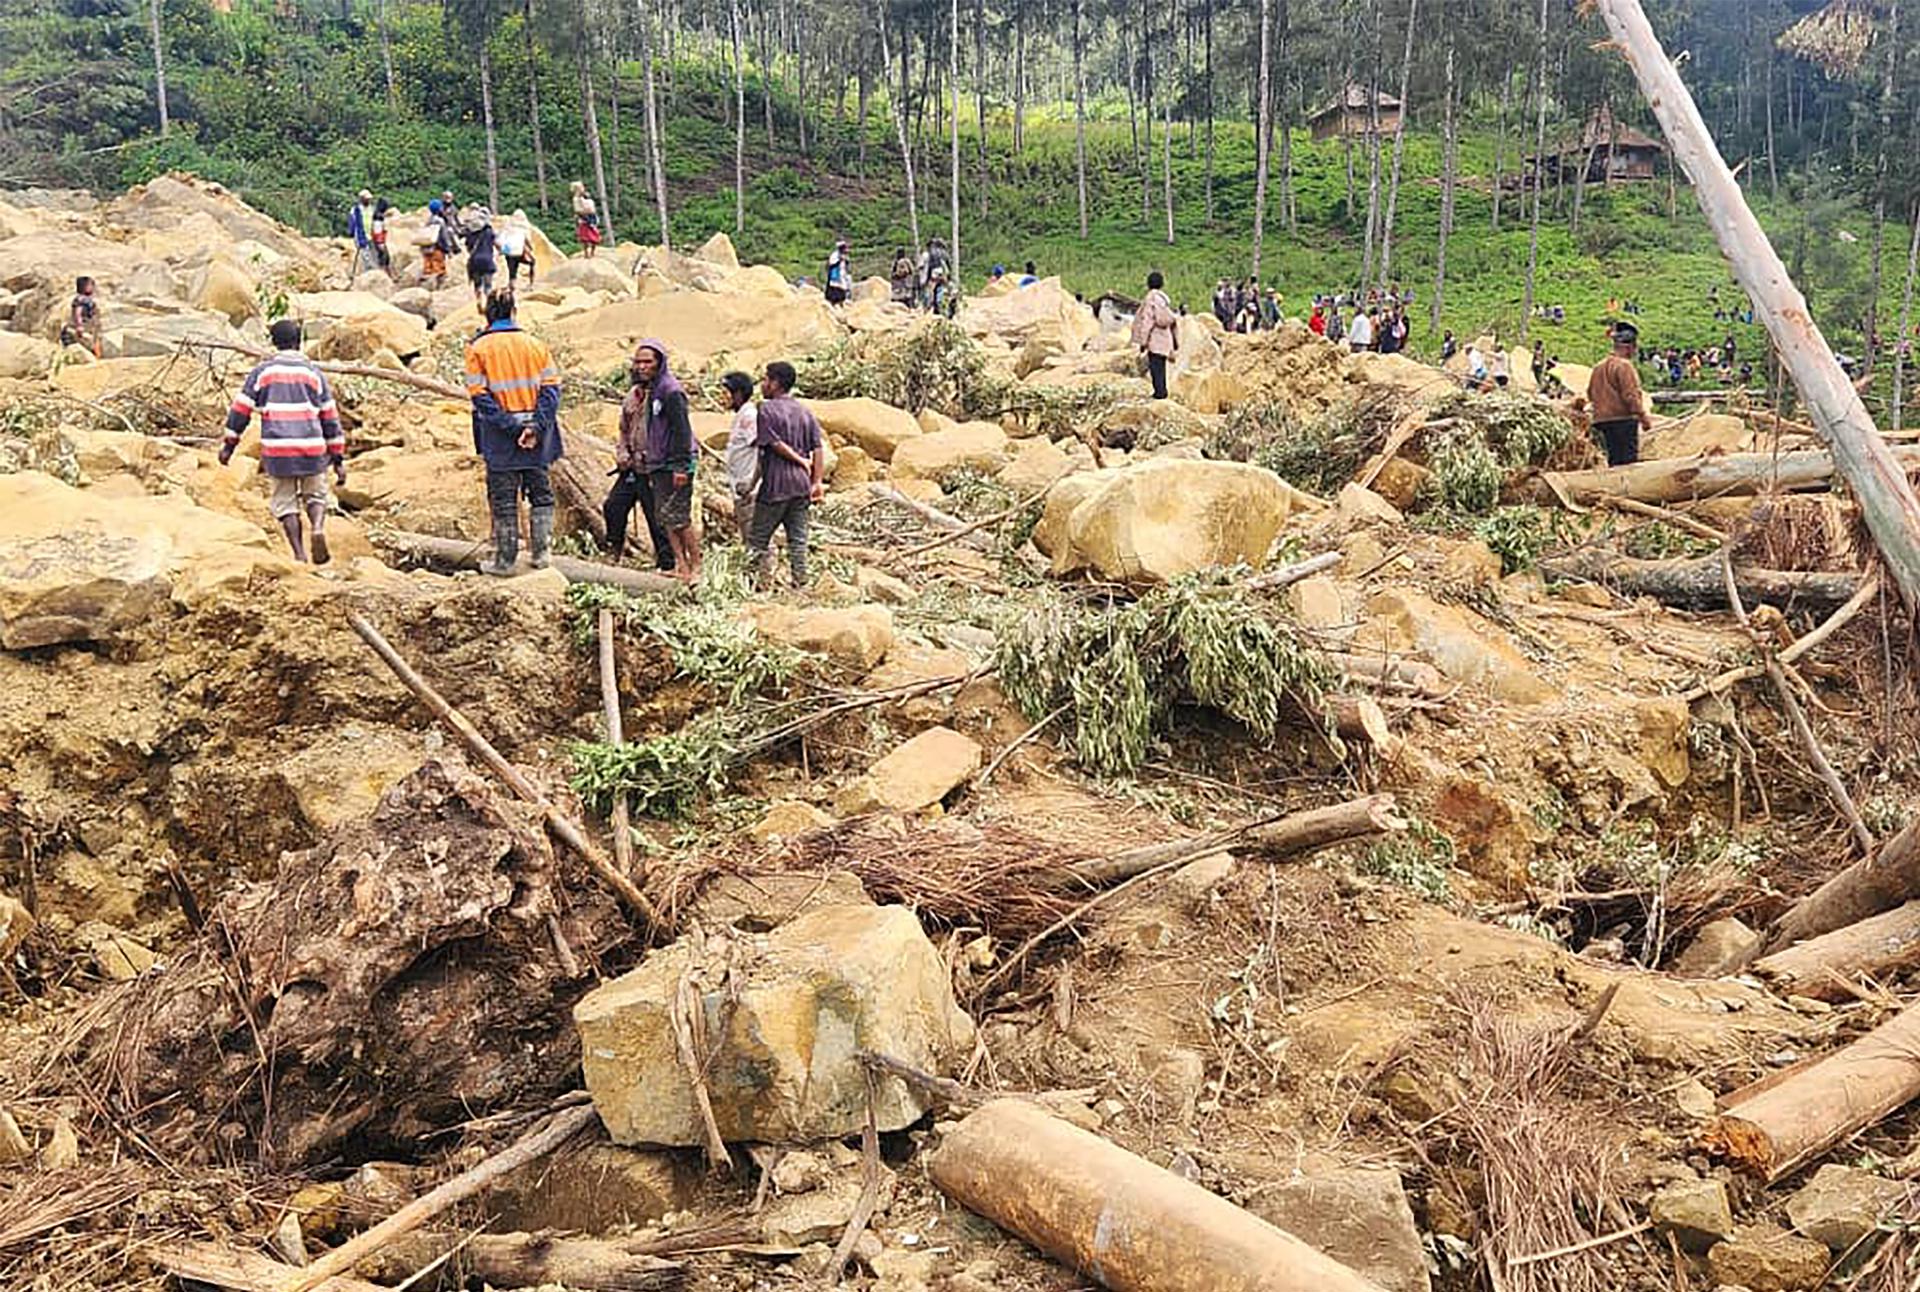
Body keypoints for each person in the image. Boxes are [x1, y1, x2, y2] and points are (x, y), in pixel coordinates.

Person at [220, 319, 345, 565]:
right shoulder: (313, 374)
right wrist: (338, 458)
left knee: (285, 501)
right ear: (298, 343)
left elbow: (240, 411)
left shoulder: (262, 372)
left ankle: (299, 554)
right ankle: (318, 527)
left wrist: (229, 445)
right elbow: (330, 417)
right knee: (316, 494)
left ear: (274, 343)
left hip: (278, 449)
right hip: (311, 447)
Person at [465, 289, 563, 575]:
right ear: (513, 311)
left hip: (500, 436)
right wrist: (534, 426)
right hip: (538, 436)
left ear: (487, 314)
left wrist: (512, 426)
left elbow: (480, 396)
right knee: (541, 494)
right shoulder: (535, 345)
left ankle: (505, 560)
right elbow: (551, 390)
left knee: (504, 497)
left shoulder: (478, 349)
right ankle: (542, 555)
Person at [606, 340, 700, 581]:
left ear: (659, 363)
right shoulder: (641, 394)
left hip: (670, 464)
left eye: (647, 361)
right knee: (659, 516)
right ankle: (679, 565)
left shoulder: (670, 392)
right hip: (644, 465)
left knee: (677, 517)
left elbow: (681, 431)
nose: (641, 367)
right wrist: (624, 453)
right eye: (638, 362)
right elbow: (625, 429)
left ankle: (692, 565)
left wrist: (680, 466)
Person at [747, 360, 826, 588]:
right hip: (801, 485)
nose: (762, 384)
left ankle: (747, 583)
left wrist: (799, 459)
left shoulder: (766, 409)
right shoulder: (805, 412)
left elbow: (772, 443)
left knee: (757, 540)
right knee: (798, 540)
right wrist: (817, 481)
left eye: (765, 379)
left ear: (775, 383)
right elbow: (818, 448)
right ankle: (801, 583)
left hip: (776, 484)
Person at [1588, 321, 1652, 467]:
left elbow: (1591, 394)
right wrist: (1644, 419)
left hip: (1601, 423)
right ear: (1629, 347)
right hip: (1622, 422)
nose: (1635, 352)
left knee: (1612, 462)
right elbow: (1631, 396)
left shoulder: (1598, 367)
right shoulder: (1624, 366)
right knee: (1627, 464)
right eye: (1634, 348)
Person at [721, 370, 759, 543]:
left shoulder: (749, 417)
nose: (723, 398)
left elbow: (762, 446)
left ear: (738, 394)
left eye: (726, 393)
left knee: (755, 538)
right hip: (741, 487)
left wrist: (752, 483)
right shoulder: (741, 416)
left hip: (749, 488)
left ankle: (763, 570)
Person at [1130, 271, 1178, 399]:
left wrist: (1143, 341)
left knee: (1155, 367)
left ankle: (1159, 393)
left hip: (1154, 338)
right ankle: (1162, 391)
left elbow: (1148, 321)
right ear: (1162, 284)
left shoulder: (1150, 299)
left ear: (1148, 284)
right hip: (1164, 337)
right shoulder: (1163, 299)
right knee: (1161, 366)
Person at [462, 206, 499, 309]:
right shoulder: (489, 232)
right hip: (487, 260)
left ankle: (478, 300)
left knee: (477, 284)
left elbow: (468, 247)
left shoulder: (470, 233)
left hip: (474, 262)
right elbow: (497, 244)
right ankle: (488, 303)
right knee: (488, 285)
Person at [418, 199, 453, 291]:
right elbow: (444, 237)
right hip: (437, 249)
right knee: (439, 270)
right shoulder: (440, 221)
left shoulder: (428, 221)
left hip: (426, 249)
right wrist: (448, 250)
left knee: (428, 270)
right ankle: (437, 290)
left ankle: (426, 290)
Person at [62, 276, 101, 356]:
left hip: (89, 327)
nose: (93, 287)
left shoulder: (86, 299)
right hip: (83, 327)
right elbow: (78, 312)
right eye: (91, 285)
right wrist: (79, 326)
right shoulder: (81, 299)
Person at [499, 210, 535, 287]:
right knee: (532, 262)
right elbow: (527, 240)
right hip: (519, 251)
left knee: (512, 268)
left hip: (508, 251)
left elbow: (502, 238)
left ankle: (511, 282)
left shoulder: (508, 225)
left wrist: (502, 249)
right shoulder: (525, 227)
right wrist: (531, 248)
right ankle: (531, 283)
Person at [349, 189, 379, 275]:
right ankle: (368, 272)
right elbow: (352, 222)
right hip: (360, 235)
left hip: (371, 234)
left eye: (369, 199)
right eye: (366, 199)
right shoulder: (356, 210)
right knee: (365, 254)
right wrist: (352, 232)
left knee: (374, 253)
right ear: (361, 199)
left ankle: (375, 271)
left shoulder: (372, 209)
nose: (368, 200)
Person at [571, 181, 603, 257]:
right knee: (585, 237)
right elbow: (577, 210)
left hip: (591, 217)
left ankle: (592, 252)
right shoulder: (576, 199)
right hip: (584, 219)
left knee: (594, 236)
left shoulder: (584, 196)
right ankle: (587, 253)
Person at [824, 239, 852, 305]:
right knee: (835, 289)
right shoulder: (835, 255)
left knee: (844, 288)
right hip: (835, 275)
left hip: (842, 274)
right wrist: (839, 260)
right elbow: (831, 263)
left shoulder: (845, 256)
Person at [371, 198, 394, 276]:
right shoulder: (378, 217)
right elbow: (377, 231)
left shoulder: (378, 214)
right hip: (379, 240)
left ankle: (387, 273)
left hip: (378, 239)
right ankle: (383, 274)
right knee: (384, 257)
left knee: (385, 257)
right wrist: (380, 242)